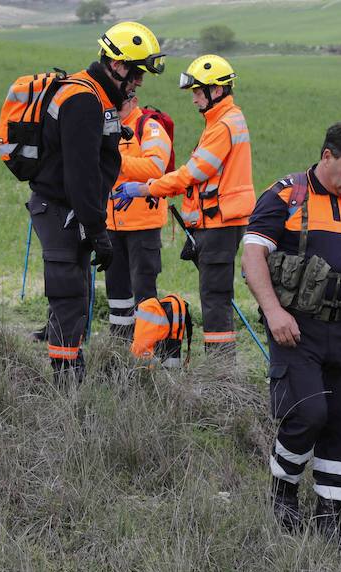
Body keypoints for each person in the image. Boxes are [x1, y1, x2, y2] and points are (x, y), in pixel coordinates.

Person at [241, 122, 341, 543]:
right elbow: (253, 253)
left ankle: (330, 522)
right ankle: (283, 492)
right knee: (308, 414)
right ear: (327, 156)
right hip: (296, 330)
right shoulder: (286, 195)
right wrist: (273, 312)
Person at [27, 22, 164, 384]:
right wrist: (97, 228)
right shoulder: (84, 100)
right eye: (136, 73)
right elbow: (82, 174)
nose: (139, 82)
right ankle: (66, 384)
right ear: (117, 66)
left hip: (67, 209)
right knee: (69, 295)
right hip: (59, 210)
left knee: (75, 295)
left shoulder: (97, 97)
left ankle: (72, 373)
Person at [112, 54, 254, 355]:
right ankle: (220, 366)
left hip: (219, 222)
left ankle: (220, 372)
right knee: (216, 295)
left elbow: (191, 174)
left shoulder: (223, 126)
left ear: (216, 90)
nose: (193, 100)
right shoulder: (226, 119)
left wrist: (145, 188)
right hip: (217, 222)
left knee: (214, 298)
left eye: (197, 92)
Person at [104, 94, 172, 339]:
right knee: (116, 290)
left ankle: (145, 345)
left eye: (117, 105)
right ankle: (119, 343)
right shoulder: (108, 127)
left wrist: (115, 161)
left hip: (143, 226)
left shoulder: (149, 127)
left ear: (133, 101)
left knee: (143, 289)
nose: (112, 110)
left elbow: (155, 168)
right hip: (111, 223)